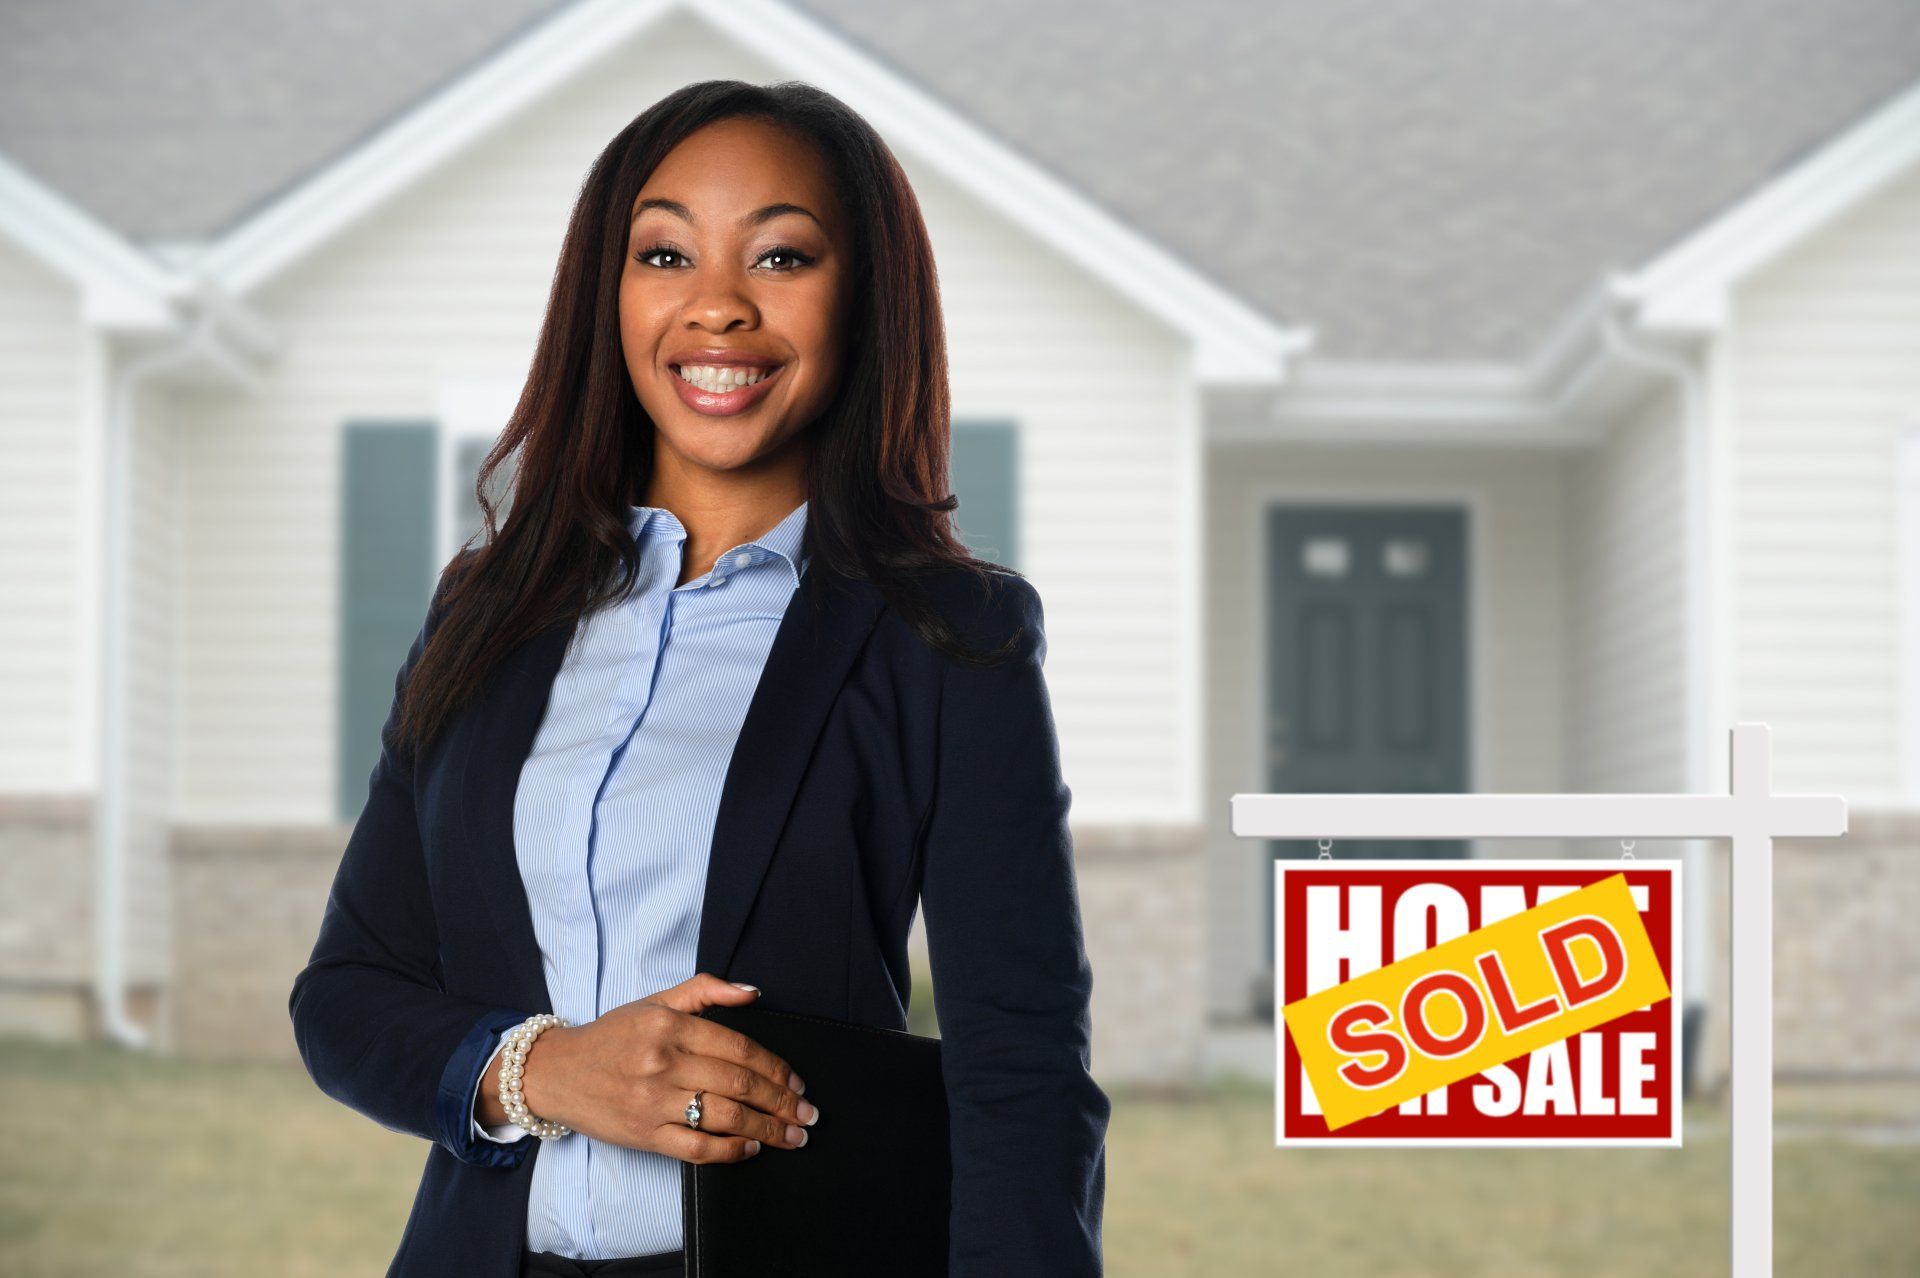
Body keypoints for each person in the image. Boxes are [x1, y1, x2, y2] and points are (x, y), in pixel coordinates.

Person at [289, 79, 1110, 1278]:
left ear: (864, 301)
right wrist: (545, 1069)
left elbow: (1022, 1067)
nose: (717, 307)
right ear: (607, 296)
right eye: (665, 252)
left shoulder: (947, 637)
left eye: (781, 258)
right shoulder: (488, 609)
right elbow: (348, 999)